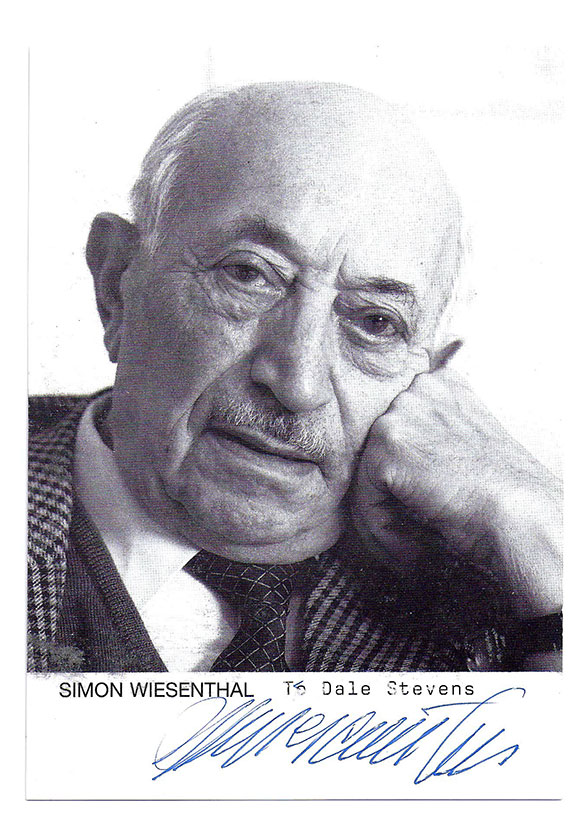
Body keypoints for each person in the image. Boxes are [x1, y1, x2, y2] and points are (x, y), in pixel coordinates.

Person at [28, 81, 562, 673]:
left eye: (375, 322)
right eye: (250, 274)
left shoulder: (520, 611)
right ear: (115, 282)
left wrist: (559, 546)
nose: (297, 385)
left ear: (431, 382)